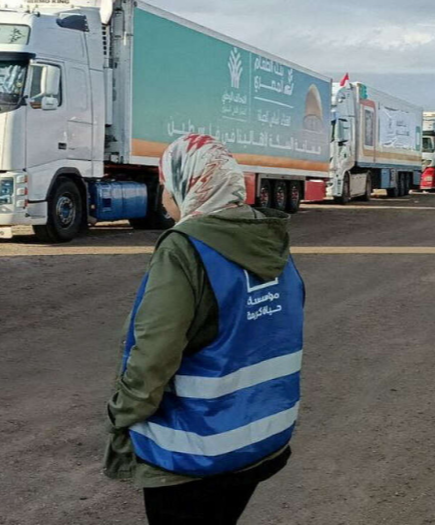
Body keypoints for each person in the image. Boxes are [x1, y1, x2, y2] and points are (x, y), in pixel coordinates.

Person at [104, 134, 304, 525]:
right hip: (260, 438)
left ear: (188, 186)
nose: (164, 198)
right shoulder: (268, 240)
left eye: (166, 187)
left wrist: (121, 413)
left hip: (194, 452)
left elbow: (154, 353)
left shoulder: (184, 249)